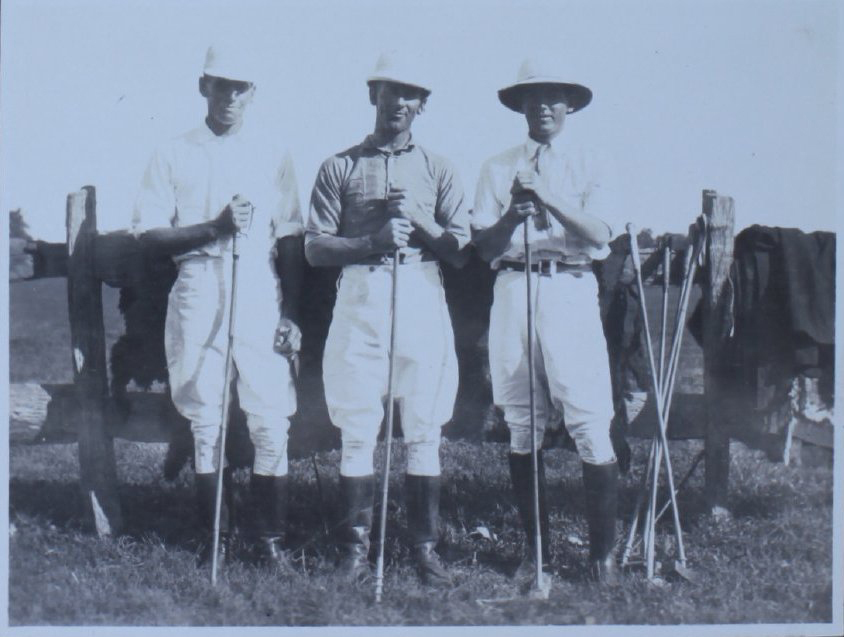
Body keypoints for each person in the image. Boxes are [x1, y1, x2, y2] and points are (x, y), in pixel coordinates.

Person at [131, 43, 304, 571]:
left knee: (270, 412)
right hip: (198, 279)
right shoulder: (172, 151)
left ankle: (270, 537)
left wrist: (291, 312)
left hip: (257, 284)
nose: (230, 94)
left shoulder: (273, 151)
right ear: (202, 85)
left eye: (240, 86)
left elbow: (292, 237)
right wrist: (213, 228)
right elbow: (148, 235)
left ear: (253, 93)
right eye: (220, 83)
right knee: (205, 412)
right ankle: (214, 535)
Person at [305, 51, 470, 586]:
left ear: (422, 104)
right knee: (357, 426)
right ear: (371, 94)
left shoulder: (439, 167)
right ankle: (353, 552)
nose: (397, 101)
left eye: (410, 93)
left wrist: (418, 221)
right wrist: (370, 241)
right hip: (361, 291)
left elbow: (461, 251)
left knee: (423, 426)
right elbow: (313, 248)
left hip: (421, 288)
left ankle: (424, 549)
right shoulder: (340, 165)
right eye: (388, 90)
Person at [472, 59, 621, 584]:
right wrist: (513, 211)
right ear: (519, 106)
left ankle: (602, 557)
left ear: (571, 105)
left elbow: (600, 235)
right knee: (520, 418)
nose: (543, 107)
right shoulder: (496, 167)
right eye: (532, 98)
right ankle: (536, 554)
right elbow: (482, 247)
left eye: (554, 97)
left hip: (569, 288)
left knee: (586, 417)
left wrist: (546, 196)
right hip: (513, 285)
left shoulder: (591, 160)